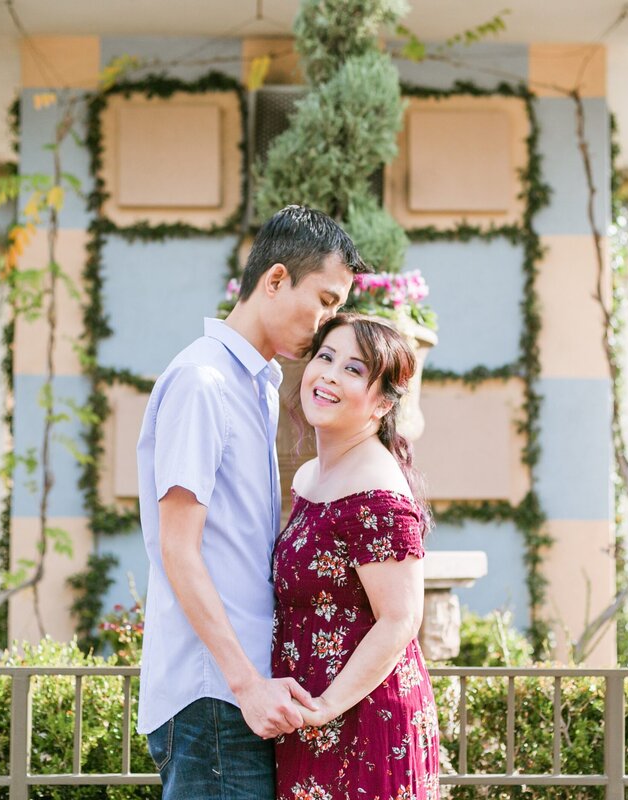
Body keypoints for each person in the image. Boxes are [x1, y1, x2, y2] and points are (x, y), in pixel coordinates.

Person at [136, 206, 368, 800]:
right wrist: (246, 686)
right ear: (274, 280)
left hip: (237, 694)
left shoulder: (255, 386)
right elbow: (177, 548)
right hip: (216, 697)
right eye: (323, 299)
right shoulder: (203, 382)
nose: (325, 323)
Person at [273, 313, 440, 800]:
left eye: (354, 369)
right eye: (325, 357)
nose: (328, 374)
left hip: (363, 720)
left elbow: (400, 619)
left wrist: (326, 706)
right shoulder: (309, 477)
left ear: (382, 402)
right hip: (307, 717)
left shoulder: (377, 488)